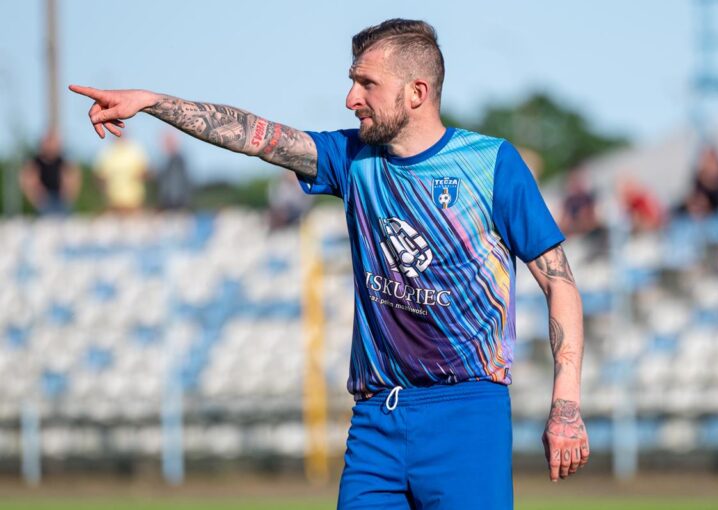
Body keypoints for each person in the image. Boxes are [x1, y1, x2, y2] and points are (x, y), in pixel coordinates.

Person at [69, 18, 588, 509]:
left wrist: (565, 406)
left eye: (367, 84)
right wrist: (153, 102)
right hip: (375, 422)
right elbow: (256, 136)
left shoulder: (491, 164)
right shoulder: (352, 158)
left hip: (466, 415)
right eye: (352, 81)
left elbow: (559, 283)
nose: (350, 98)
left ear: (416, 92)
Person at [20, 130, 81, 215]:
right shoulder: (36, 161)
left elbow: (74, 177)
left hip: (61, 199)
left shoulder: (63, 160)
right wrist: (36, 196)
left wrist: (68, 194)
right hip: (43, 200)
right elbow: (26, 179)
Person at [94, 136, 149, 213]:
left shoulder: (136, 150)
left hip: (134, 204)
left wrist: (141, 175)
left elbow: (146, 172)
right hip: (113, 204)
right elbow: (98, 176)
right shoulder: (107, 151)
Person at [156, 131, 192, 210]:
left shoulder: (177, 160)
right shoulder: (166, 160)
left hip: (176, 203)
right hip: (169, 202)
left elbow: (177, 184)